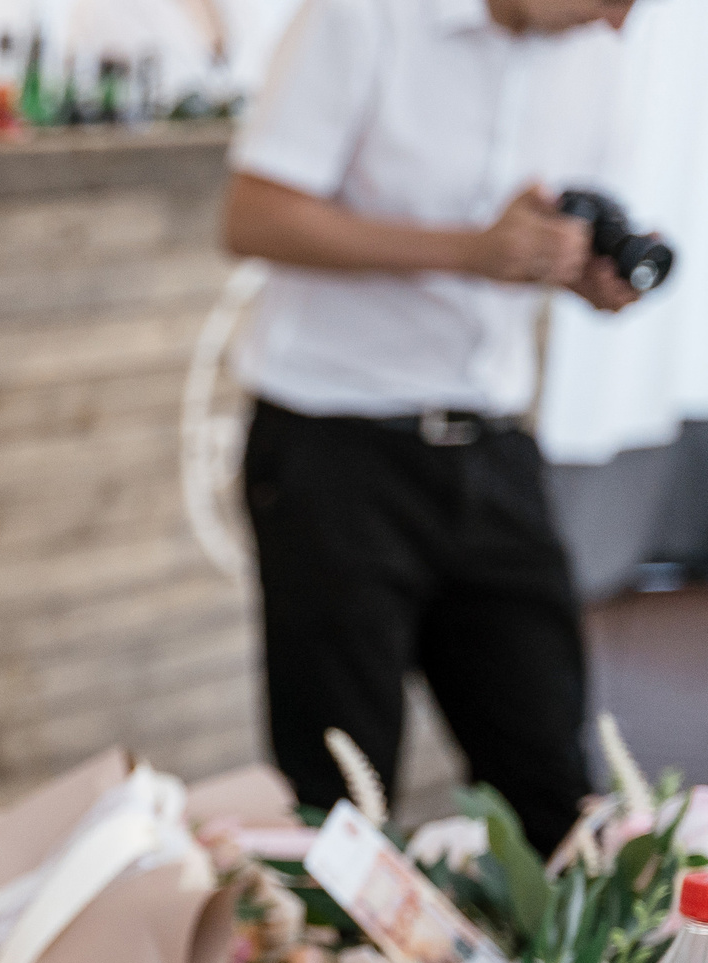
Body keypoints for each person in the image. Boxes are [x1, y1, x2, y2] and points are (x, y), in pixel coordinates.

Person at [222, 0, 642, 854]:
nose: (618, 23)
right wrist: (468, 251)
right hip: (334, 448)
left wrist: (580, 272)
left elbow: (540, 236)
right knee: (342, 803)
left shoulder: (591, 55)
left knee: (555, 791)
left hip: (493, 444)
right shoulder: (364, 17)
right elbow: (252, 216)